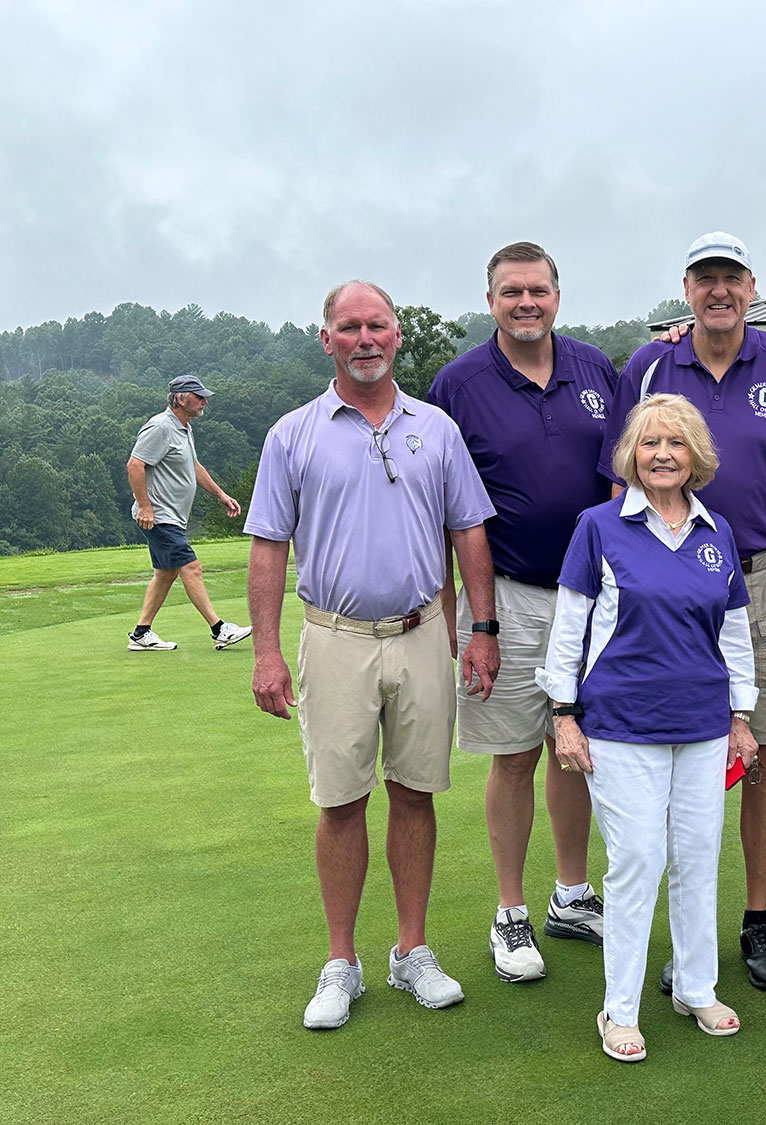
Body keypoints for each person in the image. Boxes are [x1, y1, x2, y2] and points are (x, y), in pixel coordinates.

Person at [245, 281, 501, 1031]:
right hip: (334, 637)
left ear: (396, 336)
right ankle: (341, 962)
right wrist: (266, 653)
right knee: (341, 800)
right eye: (349, 326)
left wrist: (480, 627)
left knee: (416, 792)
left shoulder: (438, 429)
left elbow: (469, 532)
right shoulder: (293, 433)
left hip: (423, 630)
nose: (366, 337)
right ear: (326, 339)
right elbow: (267, 547)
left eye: (378, 325)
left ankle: (411, 950)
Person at [601, 231, 766, 992]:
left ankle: (757, 918)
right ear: (688, 287)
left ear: (752, 284)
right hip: (661, 583)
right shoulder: (650, 363)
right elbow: (620, 483)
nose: (719, 290)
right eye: (706, 278)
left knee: (760, 755)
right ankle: (681, 934)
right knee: (675, 763)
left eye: (731, 277)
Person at [540, 393, 759, 1061]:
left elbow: (735, 634)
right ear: (631, 455)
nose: (662, 453)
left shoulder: (715, 529)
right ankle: (619, 1009)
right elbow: (569, 627)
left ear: (696, 456)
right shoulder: (598, 526)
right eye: (649, 442)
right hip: (617, 723)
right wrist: (563, 715)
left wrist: (742, 715)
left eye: (676, 443)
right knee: (637, 858)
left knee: (696, 858)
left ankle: (696, 987)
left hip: (701, 724)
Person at [427, 242, 614, 983]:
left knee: (577, 748)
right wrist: (463, 616)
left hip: (594, 599)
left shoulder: (598, 369)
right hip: (503, 596)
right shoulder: (458, 383)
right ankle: (511, 912)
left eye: (537, 289)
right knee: (513, 754)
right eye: (512, 292)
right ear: (491, 299)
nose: (526, 302)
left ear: (557, 296)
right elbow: (437, 508)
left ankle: (571, 893)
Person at [125, 375, 251, 652]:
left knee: (166, 573)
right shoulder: (160, 427)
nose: (204, 400)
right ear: (181, 399)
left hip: (169, 516)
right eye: (199, 396)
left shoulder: (183, 428)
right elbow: (135, 465)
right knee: (191, 567)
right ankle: (219, 629)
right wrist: (145, 506)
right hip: (158, 516)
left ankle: (141, 634)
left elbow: (192, 466)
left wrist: (220, 494)